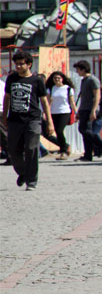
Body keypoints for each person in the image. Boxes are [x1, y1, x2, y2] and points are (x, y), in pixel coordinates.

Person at [3, 50, 55, 190]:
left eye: (21, 64)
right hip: (14, 120)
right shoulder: (12, 79)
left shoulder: (37, 80)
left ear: (29, 64)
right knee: (13, 150)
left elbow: (44, 102)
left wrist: (49, 121)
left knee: (31, 149)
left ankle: (31, 181)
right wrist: (4, 117)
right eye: (16, 64)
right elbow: (7, 97)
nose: (18, 67)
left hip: (32, 119)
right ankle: (23, 173)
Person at [73, 60, 102, 162]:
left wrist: (94, 110)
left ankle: (100, 144)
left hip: (90, 109)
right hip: (83, 109)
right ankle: (88, 154)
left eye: (78, 69)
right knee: (83, 131)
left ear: (83, 69)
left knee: (85, 130)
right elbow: (83, 97)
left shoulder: (93, 80)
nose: (77, 71)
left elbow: (97, 95)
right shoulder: (84, 80)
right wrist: (79, 111)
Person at [43, 71, 78, 160]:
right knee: (51, 132)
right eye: (55, 78)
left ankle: (63, 151)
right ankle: (65, 146)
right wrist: (45, 113)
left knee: (59, 130)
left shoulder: (68, 89)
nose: (57, 80)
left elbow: (72, 102)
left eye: (59, 78)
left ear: (62, 79)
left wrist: (76, 113)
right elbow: (48, 102)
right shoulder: (51, 89)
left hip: (65, 112)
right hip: (54, 112)